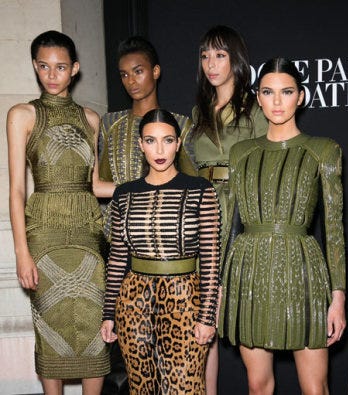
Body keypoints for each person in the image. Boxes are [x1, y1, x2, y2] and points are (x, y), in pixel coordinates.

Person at [219, 57, 346, 395]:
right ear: (257, 97)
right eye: (268, 92)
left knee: (315, 388)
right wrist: (217, 287)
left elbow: (334, 229)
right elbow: (225, 225)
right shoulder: (240, 152)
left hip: (303, 272)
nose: (277, 101)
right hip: (249, 271)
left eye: (286, 91)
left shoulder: (324, 150)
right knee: (257, 385)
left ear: (300, 97)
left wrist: (338, 297)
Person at [7, 30, 112, 394]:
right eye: (44, 67)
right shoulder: (22, 115)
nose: (52, 75)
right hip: (44, 233)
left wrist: (147, 185)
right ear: (36, 67)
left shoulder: (92, 119)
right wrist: (21, 252)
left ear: (75, 69)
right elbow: (17, 189)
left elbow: (96, 184)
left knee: (95, 330)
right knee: (50, 328)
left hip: (88, 231)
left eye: (61, 67)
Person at [100, 109, 220, 394]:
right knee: (141, 388)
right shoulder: (124, 194)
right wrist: (108, 313)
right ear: (140, 145)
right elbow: (118, 256)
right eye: (150, 141)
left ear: (178, 143)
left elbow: (211, 258)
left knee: (185, 387)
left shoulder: (201, 190)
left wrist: (207, 316)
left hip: (185, 299)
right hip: (133, 302)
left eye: (167, 140)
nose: (159, 149)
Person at [178, 25, 267, 394]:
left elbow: (268, 164)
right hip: (201, 214)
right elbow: (185, 169)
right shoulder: (198, 113)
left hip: (242, 215)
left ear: (236, 59)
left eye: (219, 55)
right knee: (204, 322)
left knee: (246, 321)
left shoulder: (255, 106)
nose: (211, 64)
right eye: (204, 56)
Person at [99, 36, 191, 238]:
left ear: (155, 71)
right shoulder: (110, 124)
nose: (131, 81)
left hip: (166, 229)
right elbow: (100, 182)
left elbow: (191, 185)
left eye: (138, 71)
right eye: (124, 74)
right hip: (118, 232)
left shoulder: (181, 125)